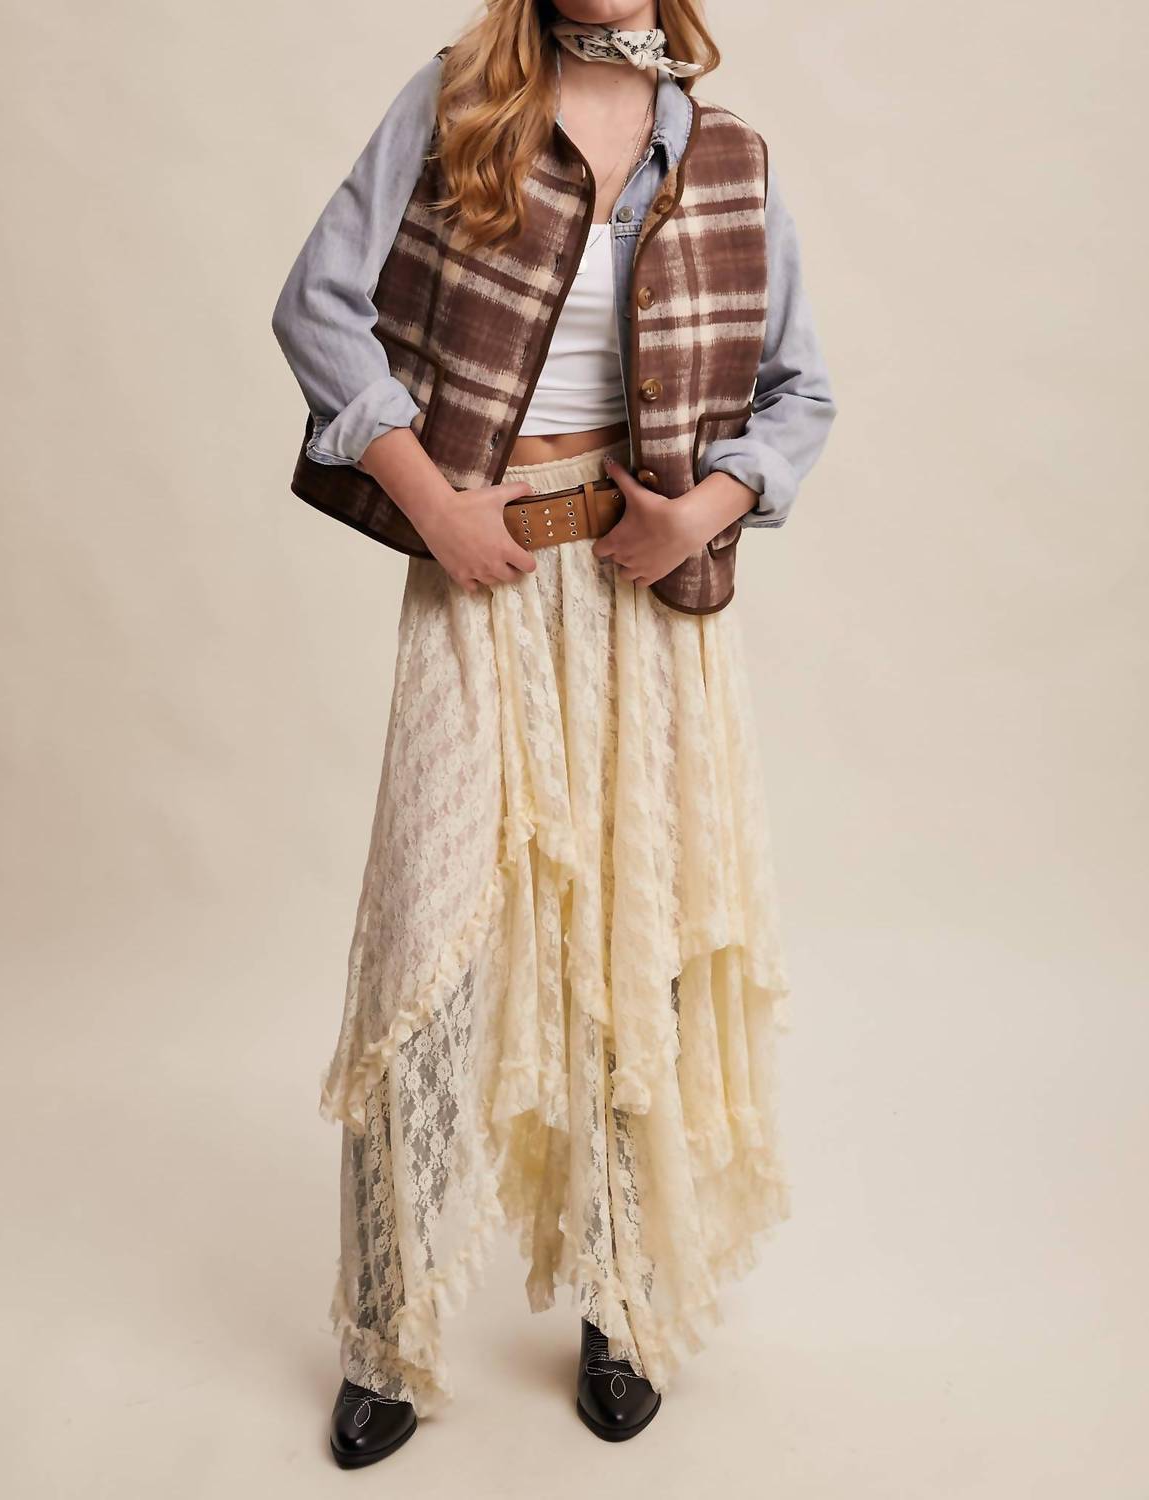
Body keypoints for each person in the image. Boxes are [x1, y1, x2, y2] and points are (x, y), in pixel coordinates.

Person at [271, 0, 836, 1465]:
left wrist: (702, 513)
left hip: (646, 596)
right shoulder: (461, 98)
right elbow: (317, 303)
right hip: (485, 571)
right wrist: (434, 505)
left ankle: (621, 1301)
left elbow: (800, 393)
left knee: (638, 948)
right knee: (428, 948)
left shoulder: (723, 155)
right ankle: (387, 1332)